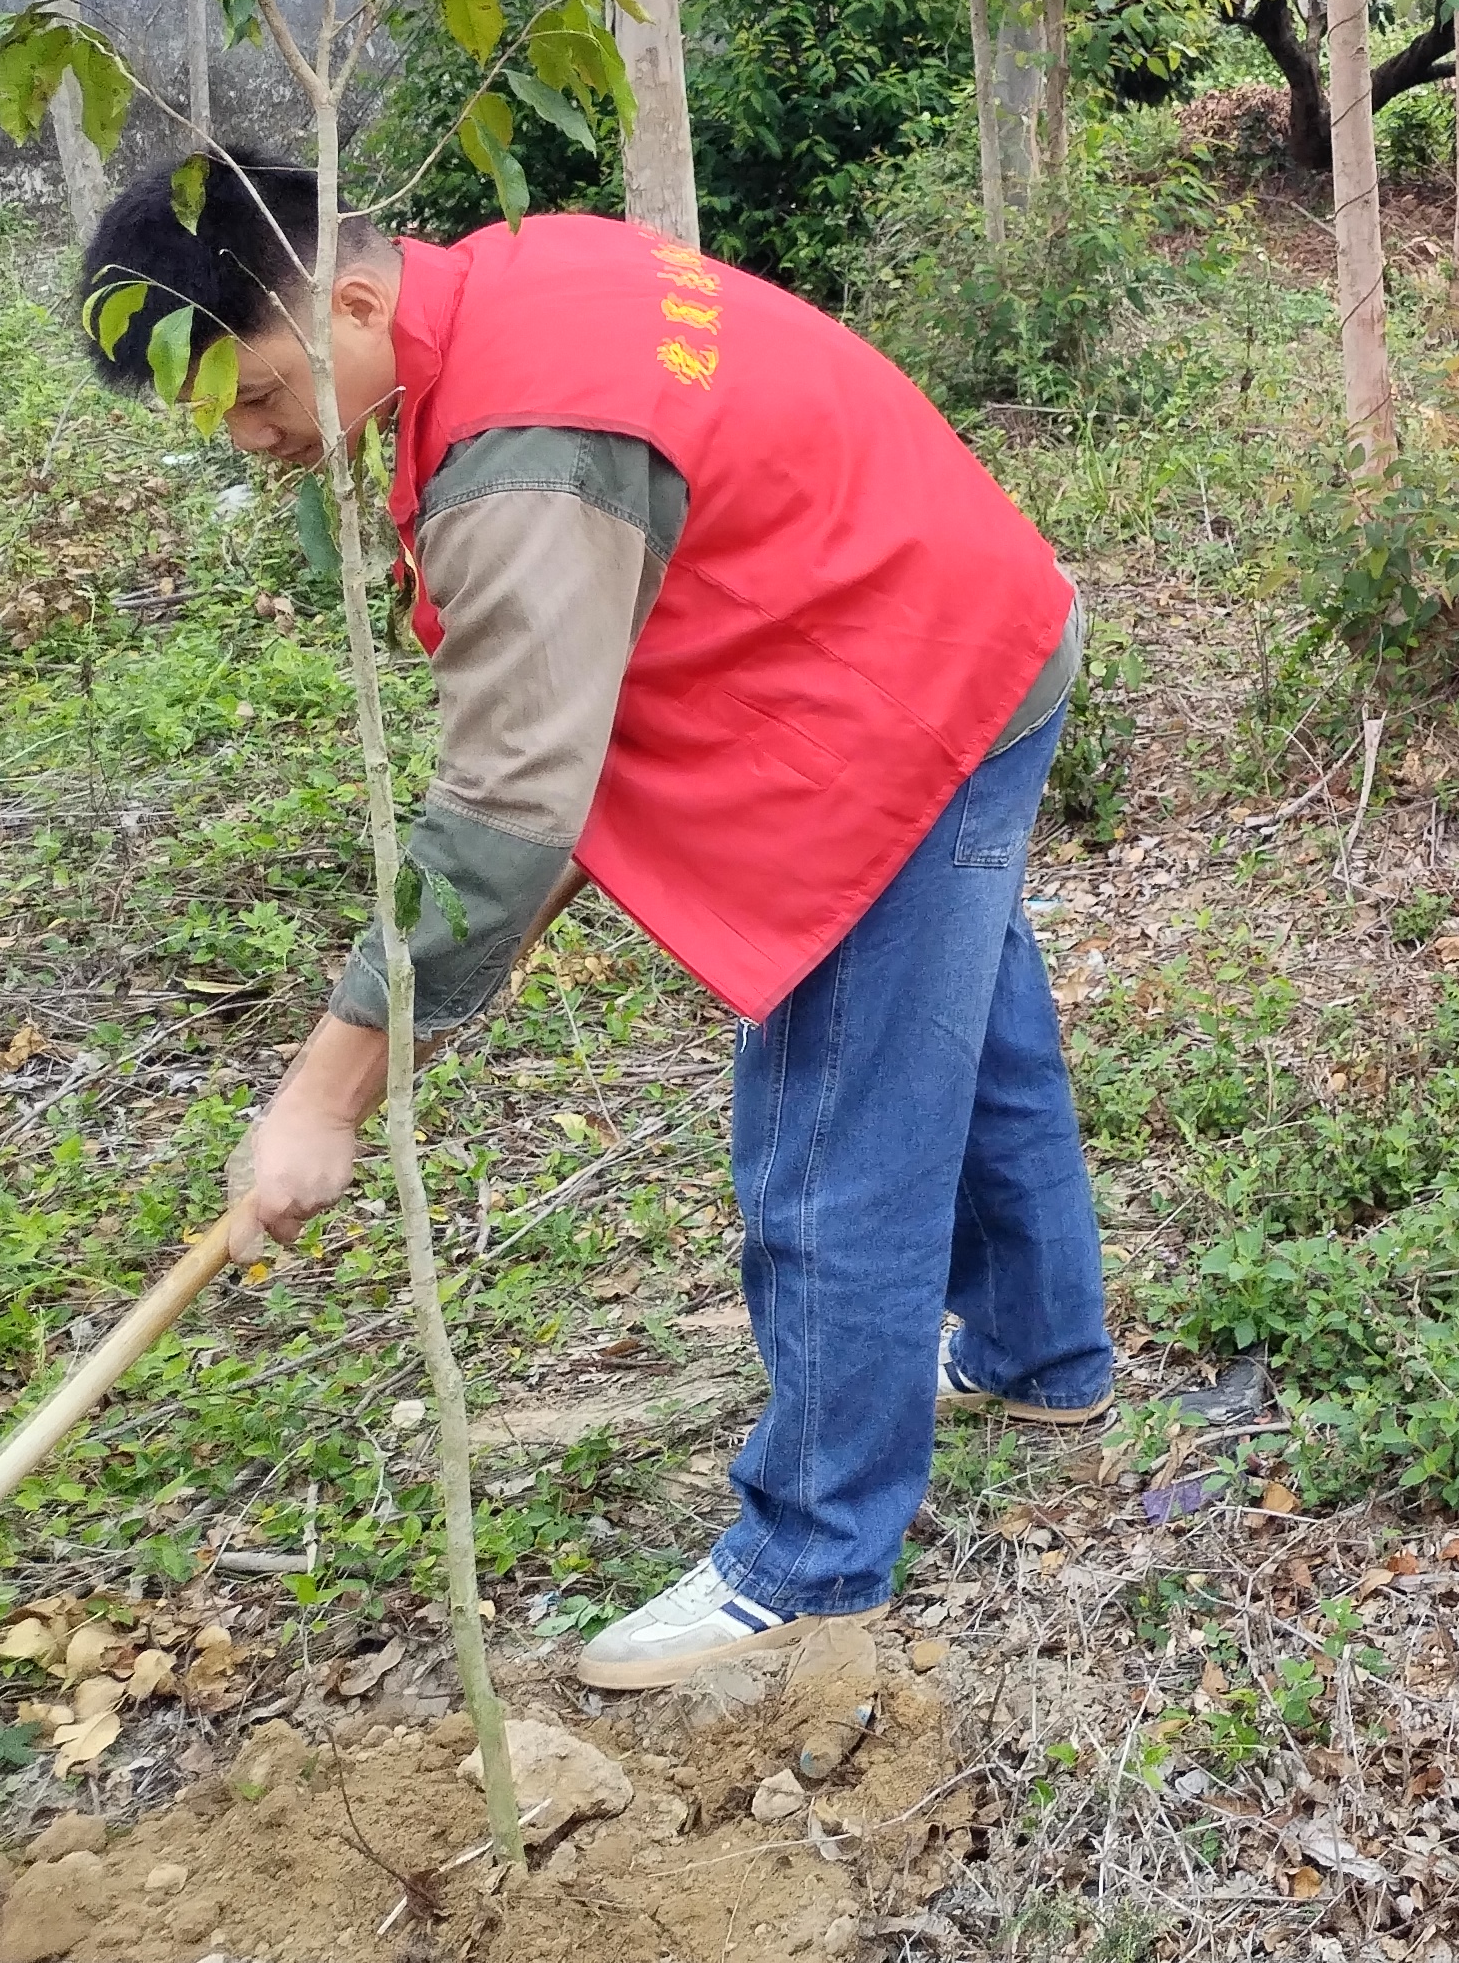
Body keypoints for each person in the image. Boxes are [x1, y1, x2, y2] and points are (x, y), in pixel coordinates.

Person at [80, 156, 1111, 1690]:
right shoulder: (507, 267)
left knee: (831, 1140)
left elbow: (500, 818)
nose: (254, 442)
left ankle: (814, 1562)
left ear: (354, 300)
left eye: (259, 391)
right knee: (972, 1029)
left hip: (900, 694)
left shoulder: (523, 454)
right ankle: (1039, 1353)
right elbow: (555, 749)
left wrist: (321, 1097)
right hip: (964, 615)